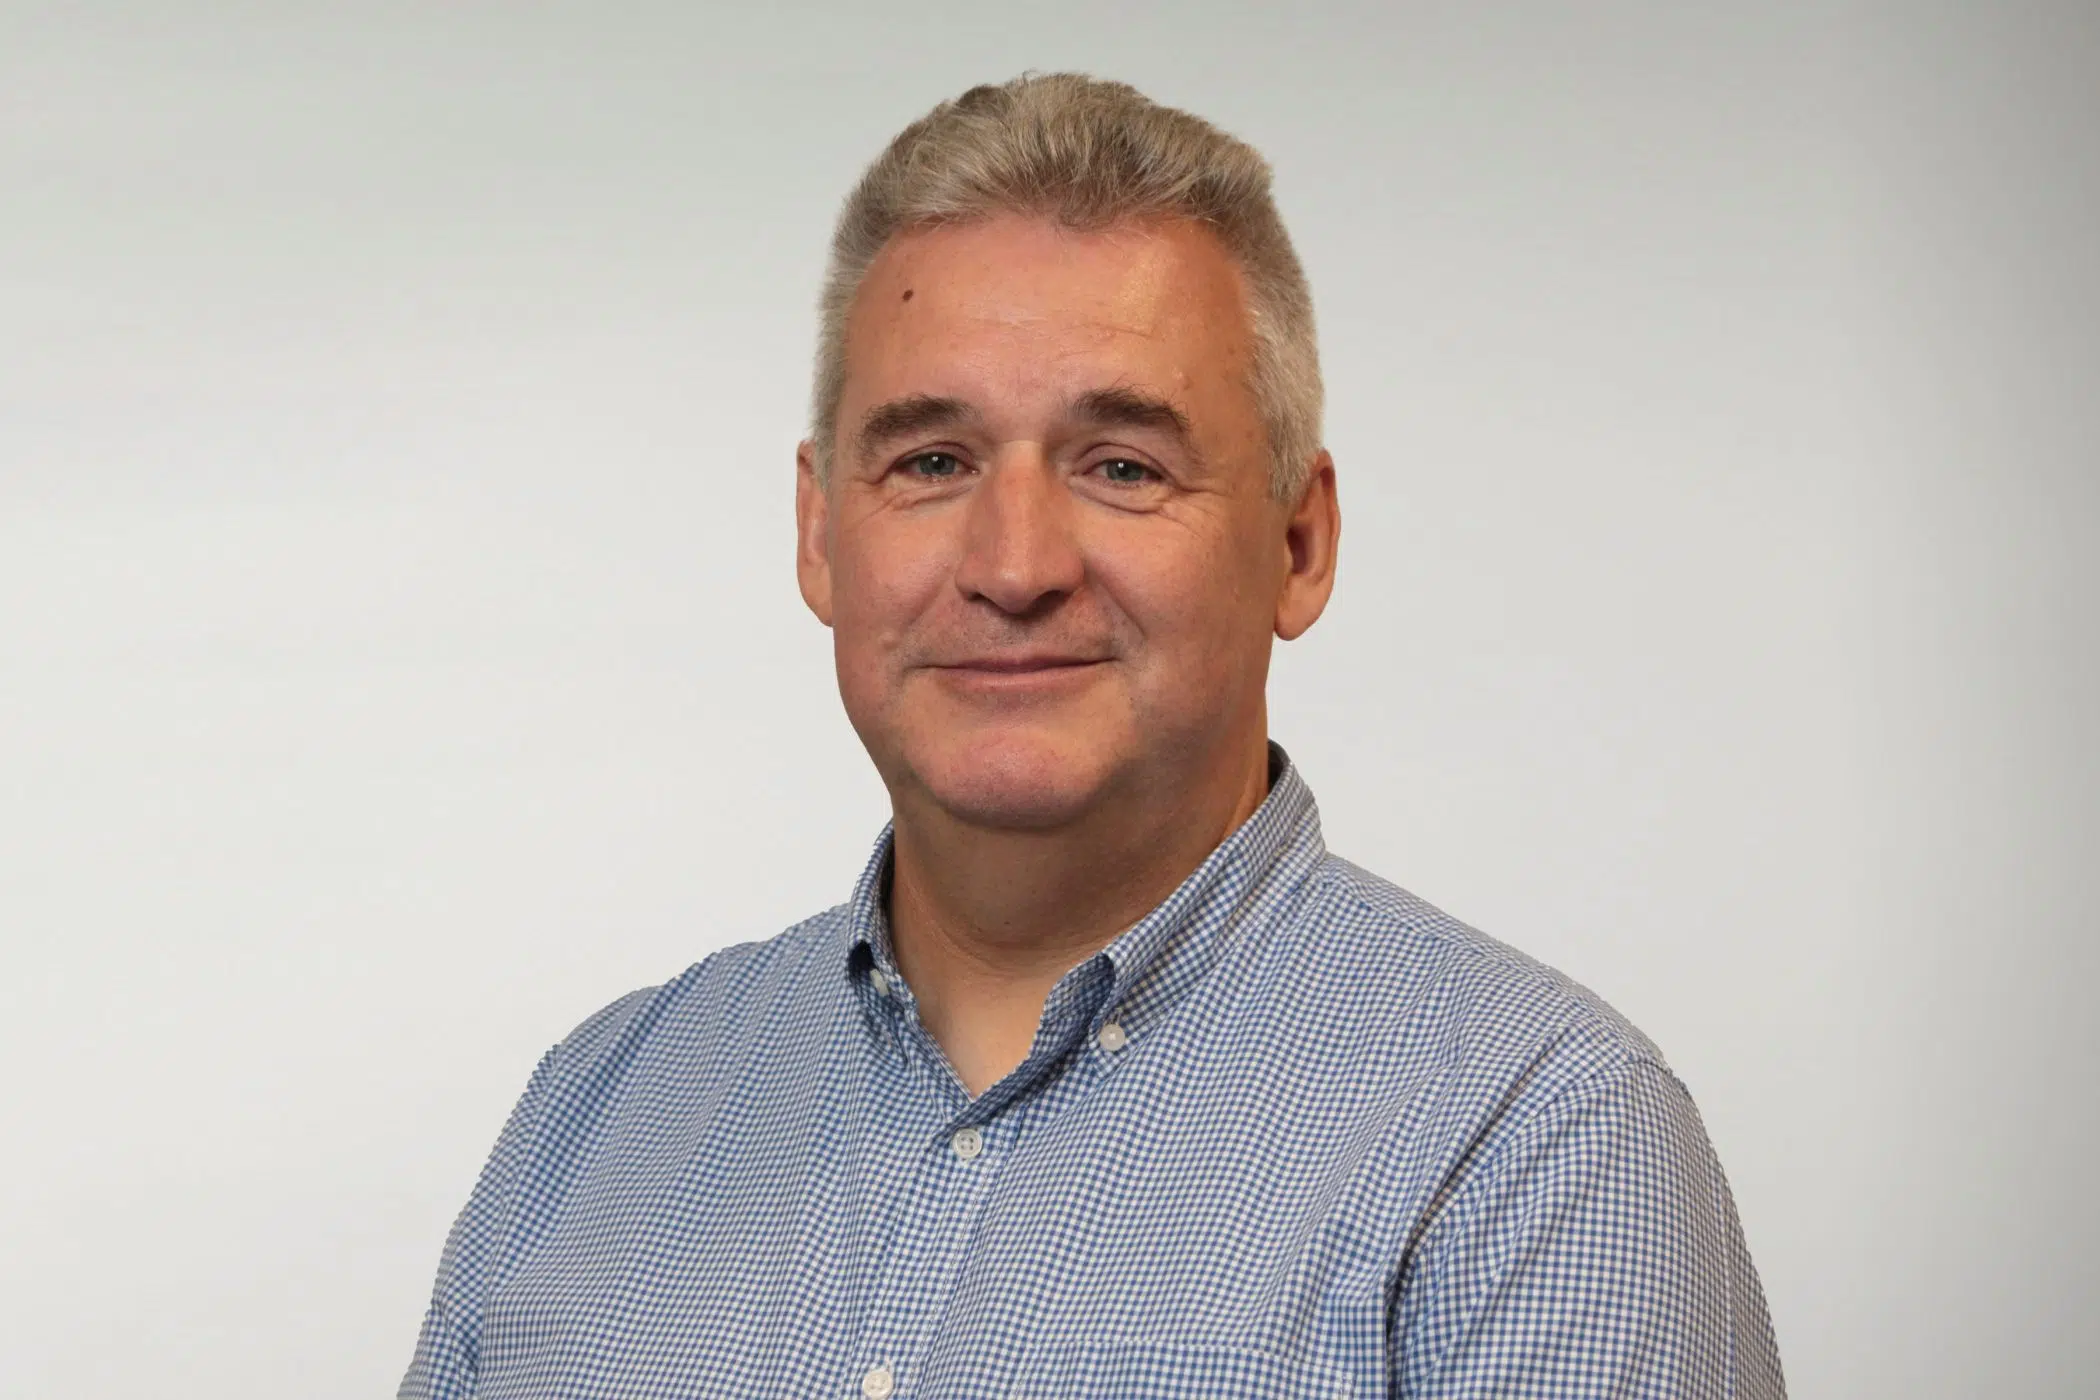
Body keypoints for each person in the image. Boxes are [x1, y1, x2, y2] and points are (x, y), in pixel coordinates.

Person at [399, 73, 1783, 1399]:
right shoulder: (598, 1114)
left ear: (1299, 545)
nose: (1015, 566)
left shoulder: (1536, 1147)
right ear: (821, 534)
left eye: (1122, 466)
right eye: (932, 463)